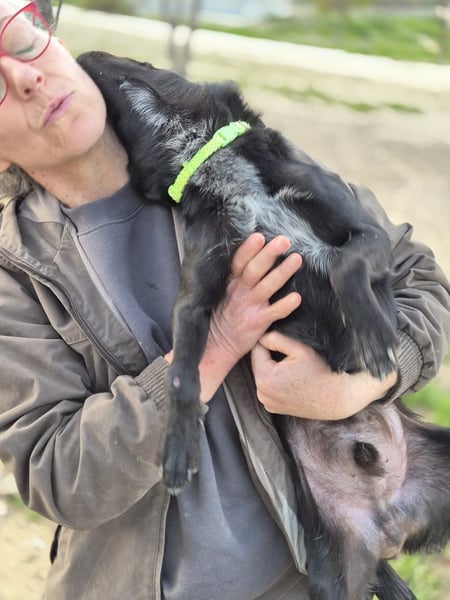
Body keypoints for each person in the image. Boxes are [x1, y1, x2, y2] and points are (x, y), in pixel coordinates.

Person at [0, 2, 448, 599]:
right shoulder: (15, 273)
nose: (26, 76)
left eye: (22, 38)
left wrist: (360, 385)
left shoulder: (215, 136)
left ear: (52, 38)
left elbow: (418, 277)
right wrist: (214, 345)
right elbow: (60, 476)